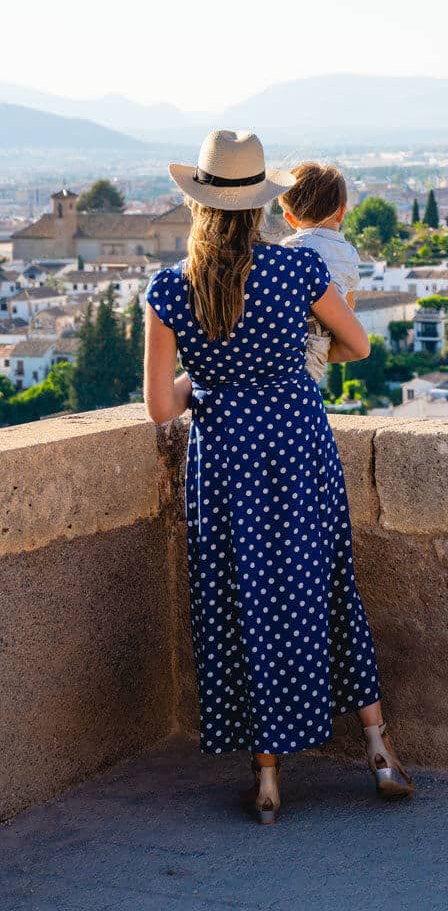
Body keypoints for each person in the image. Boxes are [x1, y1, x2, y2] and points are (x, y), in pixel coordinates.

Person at [144, 129, 413, 825]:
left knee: (244, 600)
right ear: (262, 206)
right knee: (326, 585)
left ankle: (267, 778)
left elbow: (159, 407)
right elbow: (357, 342)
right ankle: (379, 749)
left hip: (227, 461)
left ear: (200, 205)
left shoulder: (171, 290)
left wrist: (211, 377)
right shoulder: (295, 274)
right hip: (297, 446)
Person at [278, 161, 360, 383]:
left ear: (290, 217)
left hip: (281, 345)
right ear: (342, 212)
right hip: (319, 349)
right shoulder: (349, 254)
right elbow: (348, 310)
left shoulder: (286, 249)